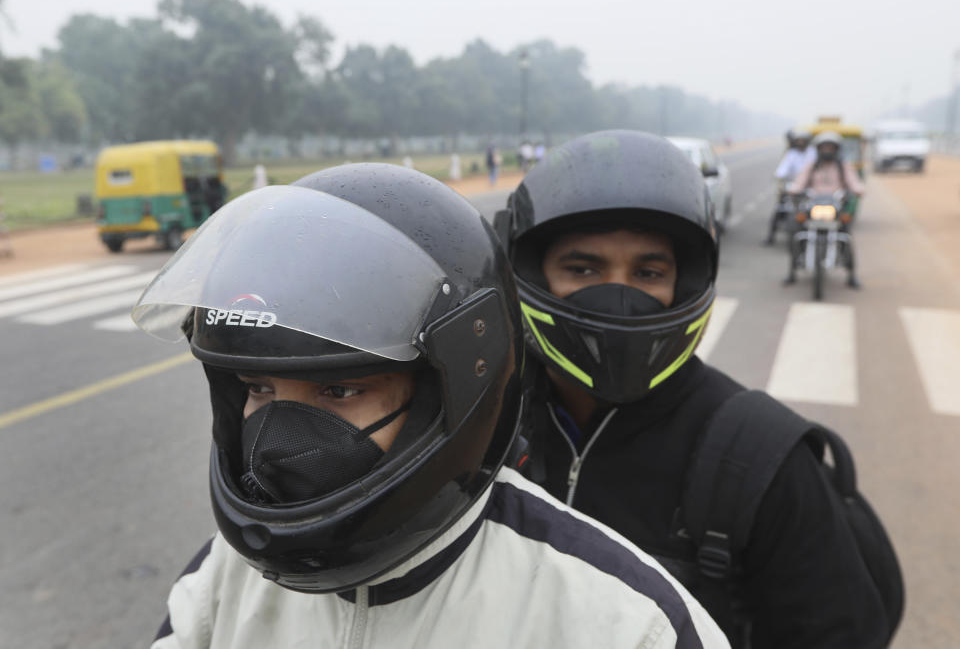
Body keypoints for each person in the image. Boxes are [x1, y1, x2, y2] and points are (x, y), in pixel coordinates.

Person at [134, 164, 729, 649]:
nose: (276, 445)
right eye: (259, 390)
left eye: (339, 392)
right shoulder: (222, 582)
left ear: (451, 395)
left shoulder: (624, 622)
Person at [497, 130, 889, 648]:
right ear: (532, 274)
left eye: (648, 271)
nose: (619, 295)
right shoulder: (485, 427)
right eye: (584, 268)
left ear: (683, 284)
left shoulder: (759, 459)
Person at [787, 130, 865, 288]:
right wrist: (794, 189)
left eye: (831, 148)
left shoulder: (843, 166)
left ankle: (851, 275)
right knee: (795, 231)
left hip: (835, 208)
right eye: (824, 148)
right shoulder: (811, 166)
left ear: (836, 149)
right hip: (813, 206)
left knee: (846, 236)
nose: (827, 151)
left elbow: (854, 182)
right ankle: (792, 270)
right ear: (819, 149)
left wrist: (857, 189)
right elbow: (800, 182)